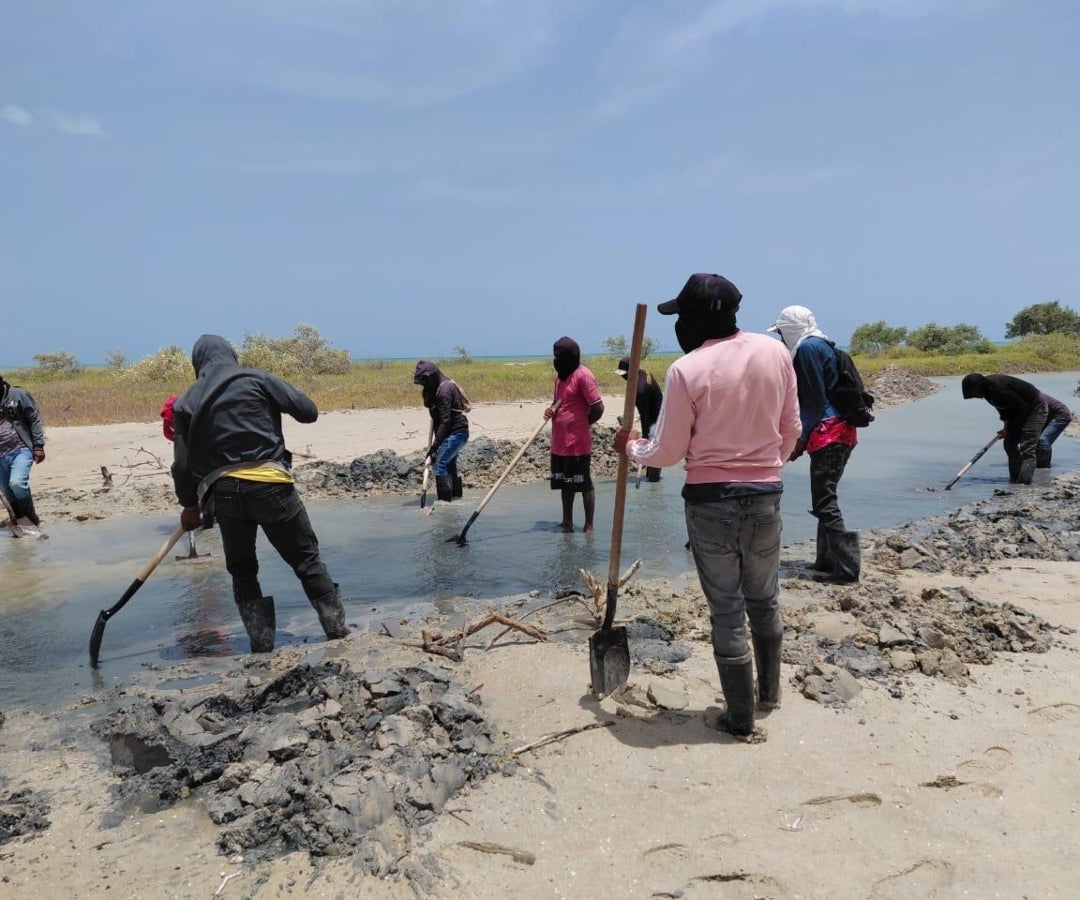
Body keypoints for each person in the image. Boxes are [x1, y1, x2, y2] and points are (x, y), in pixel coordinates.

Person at [615, 274, 801, 740]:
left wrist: (631, 446)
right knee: (764, 599)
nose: (678, 325)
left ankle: (739, 718)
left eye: (680, 316)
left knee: (727, 609)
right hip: (765, 498)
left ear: (695, 320)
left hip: (710, 502)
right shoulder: (775, 353)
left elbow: (667, 452)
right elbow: (791, 429)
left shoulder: (687, 370)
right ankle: (769, 696)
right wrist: (765, 468)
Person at [170, 335, 348, 653]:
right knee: (306, 560)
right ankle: (336, 630)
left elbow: (182, 465)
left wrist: (189, 506)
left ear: (198, 363)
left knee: (242, 571)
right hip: (270, 485)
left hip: (223, 493)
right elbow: (308, 411)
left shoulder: (186, 400)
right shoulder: (256, 379)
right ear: (231, 355)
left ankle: (261, 646)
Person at [768, 305, 861, 584]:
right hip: (840, 432)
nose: (780, 338)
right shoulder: (823, 345)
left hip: (828, 432)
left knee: (824, 500)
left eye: (781, 333)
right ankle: (825, 561)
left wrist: (799, 440)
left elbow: (813, 401)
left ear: (791, 329)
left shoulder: (808, 349)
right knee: (824, 497)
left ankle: (846, 569)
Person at [960, 373, 1069, 482]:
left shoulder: (999, 389)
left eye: (976, 395)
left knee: (1027, 447)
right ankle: (1015, 479)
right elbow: (1004, 409)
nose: (977, 397)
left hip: (1035, 408)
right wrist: (1006, 428)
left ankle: (1023, 484)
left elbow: (1022, 410)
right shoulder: (988, 392)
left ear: (980, 388)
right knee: (1009, 444)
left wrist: (1020, 432)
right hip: (1019, 411)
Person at [546, 337, 604, 533]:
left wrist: (582, 425)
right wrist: (551, 410)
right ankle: (567, 521)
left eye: (559, 357)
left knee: (583, 483)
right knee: (566, 482)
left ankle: (589, 525)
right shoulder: (560, 378)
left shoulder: (584, 376)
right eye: (554, 356)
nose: (555, 360)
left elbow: (598, 407)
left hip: (577, 443)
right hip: (559, 442)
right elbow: (558, 402)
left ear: (571, 357)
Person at [413, 361, 470, 502]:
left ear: (432, 377)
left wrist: (434, 448)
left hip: (456, 433)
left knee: (439, 465)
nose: (424, 386)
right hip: (454, 432)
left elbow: (445, 422)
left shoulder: (444, 391)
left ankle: (445, 504)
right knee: (449, 464)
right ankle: (456, 499)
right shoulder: (437, 387)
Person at [0, 372, 46, 536]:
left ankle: (32, 519)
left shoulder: (18, 394)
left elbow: (34, 418)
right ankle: (21, 521)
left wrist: (38, 445)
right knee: (8, 492)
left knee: (17, 483)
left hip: (20, 448)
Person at [615, 355, 664, 483]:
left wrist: (645, 439)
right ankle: (652, 474)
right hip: (656, 411)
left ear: (631, 371)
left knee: (652, 445)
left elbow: (645, 417)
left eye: (624, 374)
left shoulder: (641, 390)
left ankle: (653, 478)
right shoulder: (641, 373)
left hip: (656, 417)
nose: (622, 377)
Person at [1036, 392, 1073, 469]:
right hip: (1049, 415)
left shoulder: (1031, 396)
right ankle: (1038, 465)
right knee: (1036, 438)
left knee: (1043, 439)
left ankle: (1044, 468)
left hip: (1061, 415)